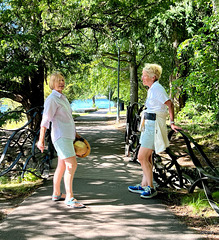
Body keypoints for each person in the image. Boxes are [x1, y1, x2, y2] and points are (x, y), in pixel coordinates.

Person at [128, 63, 182, 199]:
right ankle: (144, 184)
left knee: (141, 157)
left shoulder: (157, 88)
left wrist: (172, 122)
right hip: (149, 125)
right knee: (146, 157)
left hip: (154, 126)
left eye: (144, 75)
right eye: (142, 75)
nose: (142, 78)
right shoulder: (152, 89)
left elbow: (169, 104)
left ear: (153, 77)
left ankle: (150, 188)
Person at [37, 72, 85, 208]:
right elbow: (45, 120)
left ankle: (56, 193)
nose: (61, 82)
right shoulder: (52, 99)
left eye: (63, 80)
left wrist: (76, 135)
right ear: (52, 83)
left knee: (62, 165)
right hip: (61, 137)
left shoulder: (62, 98)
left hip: (68, 136)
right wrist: (41, 140)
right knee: (72, 165)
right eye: (58, 80)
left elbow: (68, 119)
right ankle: (69, 198)